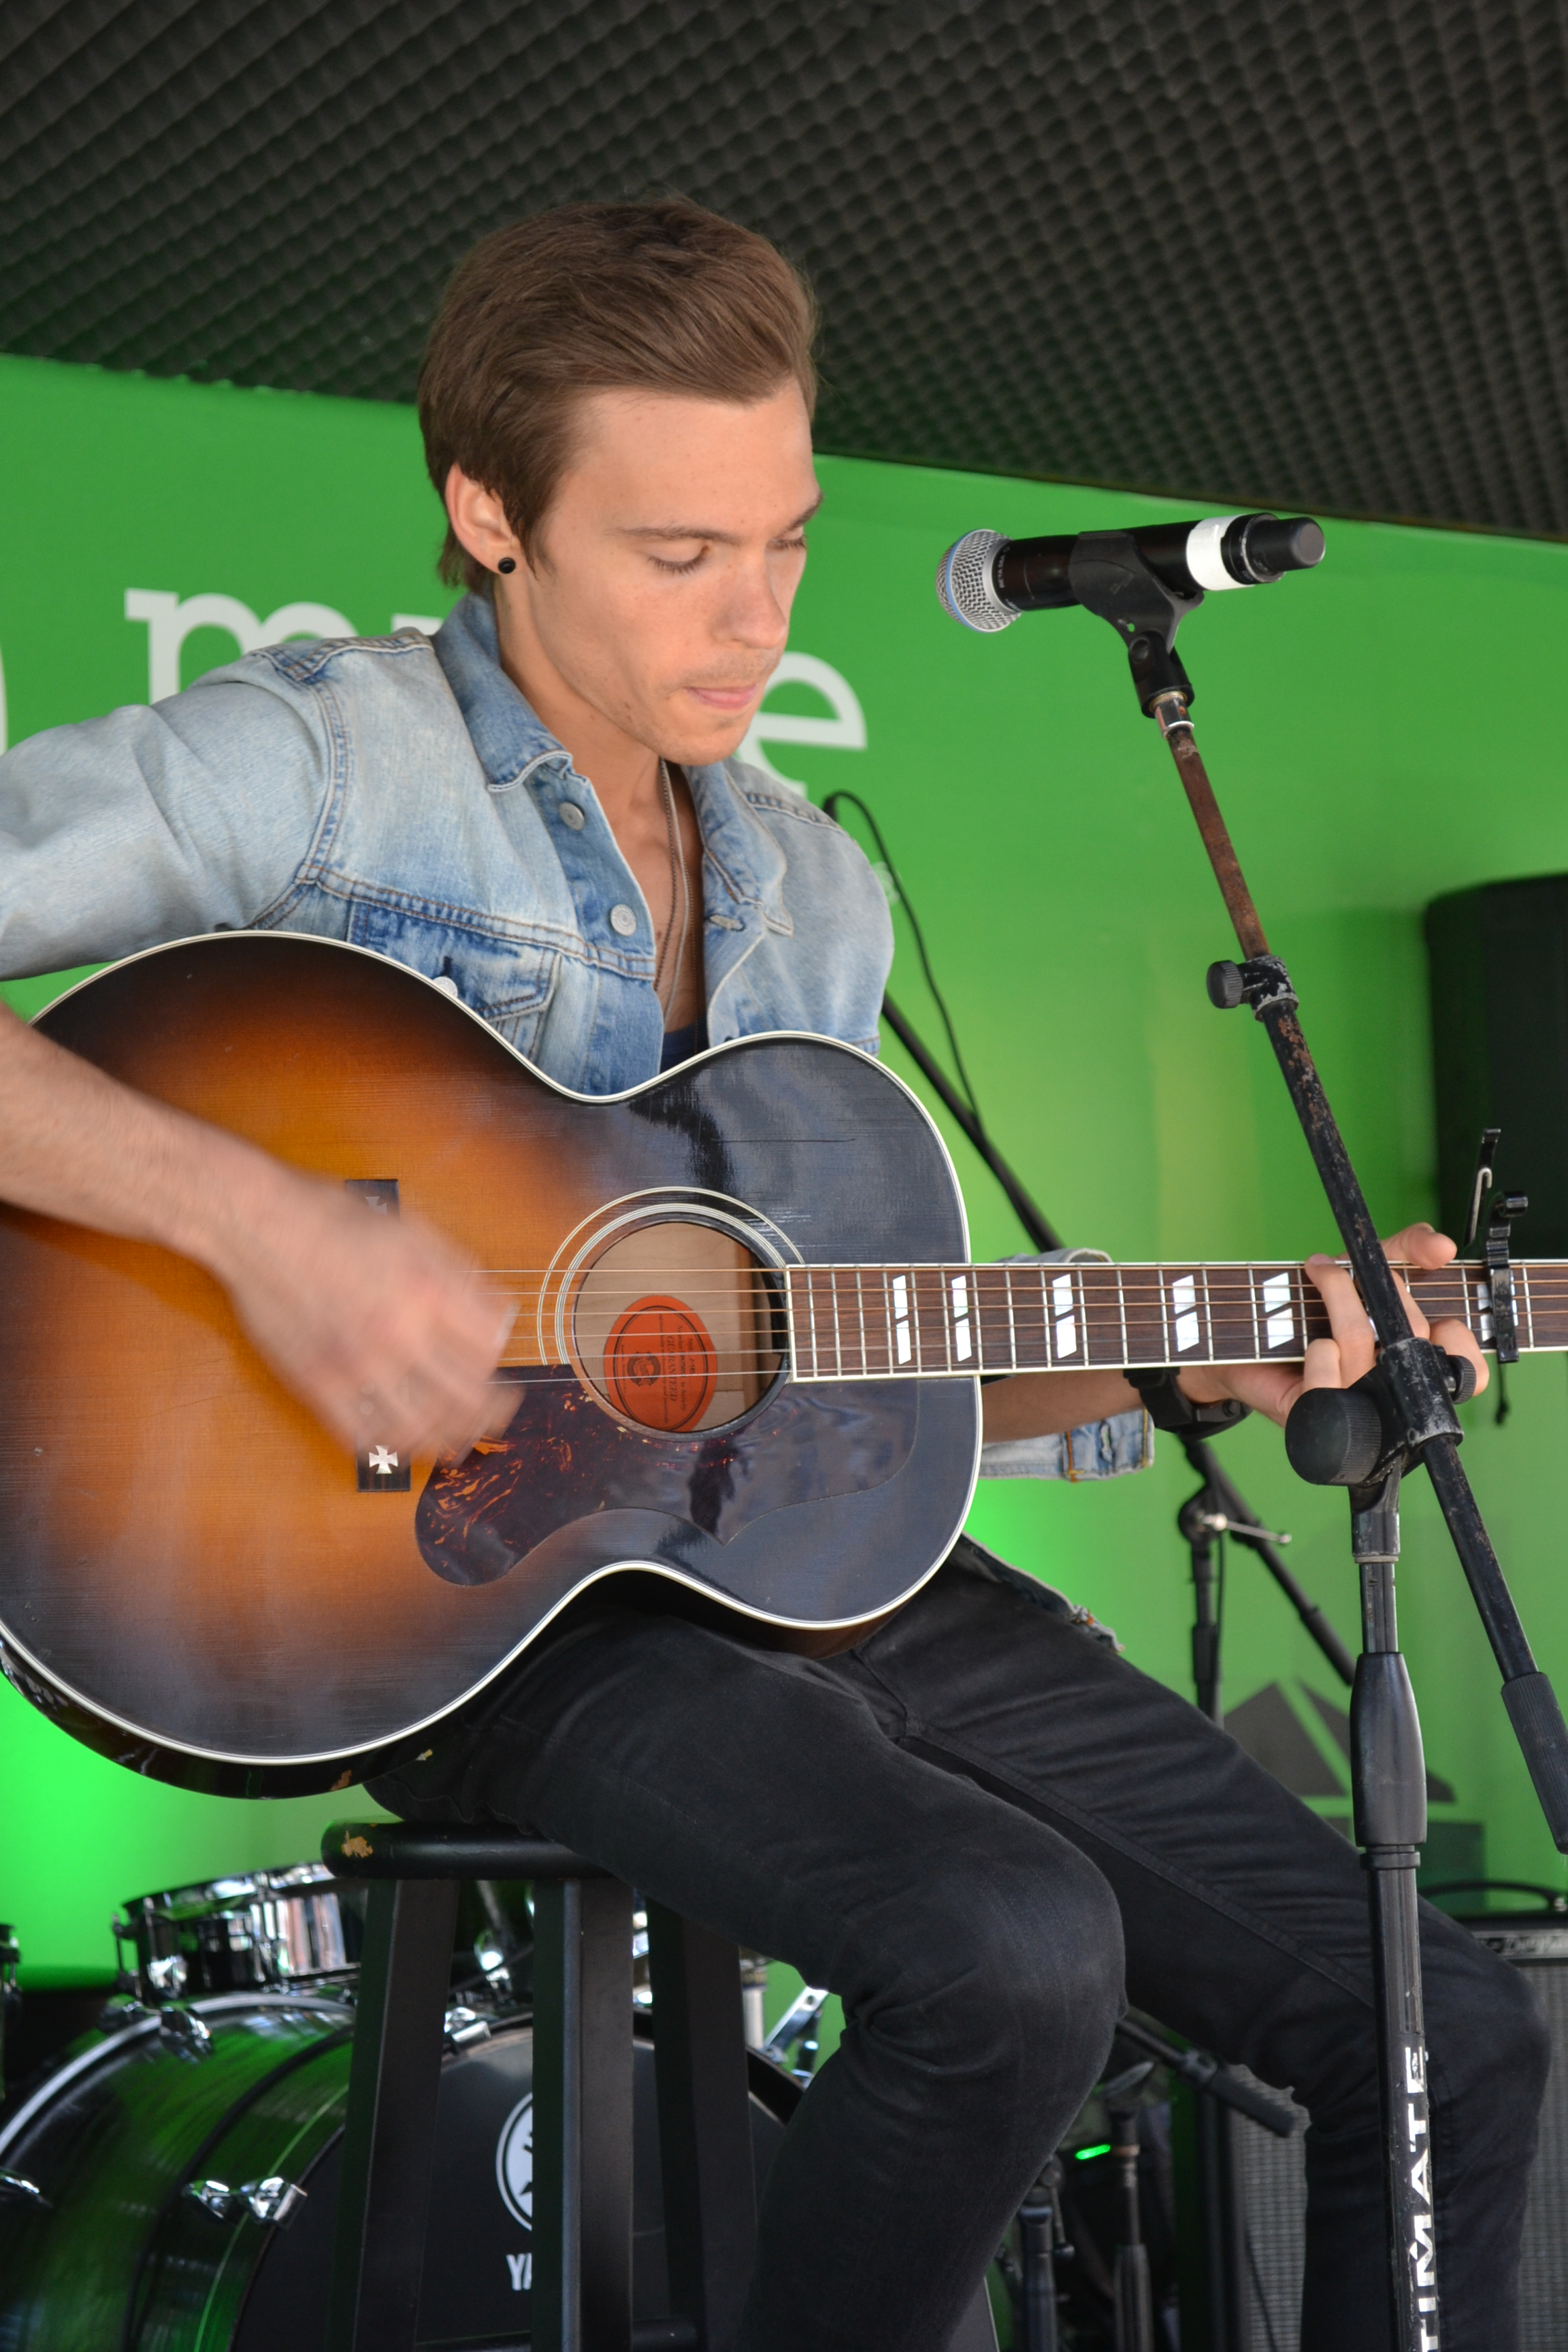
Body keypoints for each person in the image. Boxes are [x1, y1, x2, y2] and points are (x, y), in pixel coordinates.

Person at [0, 199, 1544, 2351]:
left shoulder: (813, 888)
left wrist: (1214, 1359)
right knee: (1010, 1949)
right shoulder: (327, 762)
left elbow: (818, 1370)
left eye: (788, 543)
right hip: (466, 1600)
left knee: (1447, 2027)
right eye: (679, 554)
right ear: (492, 513)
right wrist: (264, 1230)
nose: (754, 619)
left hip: (782, 1573)